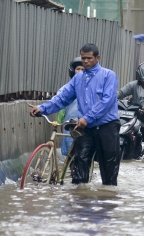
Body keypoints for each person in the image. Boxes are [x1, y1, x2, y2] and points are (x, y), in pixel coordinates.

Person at [29, 43, 121, 186]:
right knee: (80, 163)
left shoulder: (108, 75)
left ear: (98, 58)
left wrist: (88, 117)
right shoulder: (78, 79)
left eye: (89, 58)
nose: (85, 61)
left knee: (109, 166)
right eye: (83, 58)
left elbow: (107, 101)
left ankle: (107, 199)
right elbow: (62, 97)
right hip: (86, 128)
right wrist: (42, 108)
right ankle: (79, 199)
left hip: (107, 126)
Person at [56, 57, 84, 156]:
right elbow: (61, 108)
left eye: (83, 69)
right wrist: (59, 123)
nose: (80, 72)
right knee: (70, 153)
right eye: (78, 69)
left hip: (85, 126)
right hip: (69, 125)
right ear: (73, 71)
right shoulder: (65, 90)